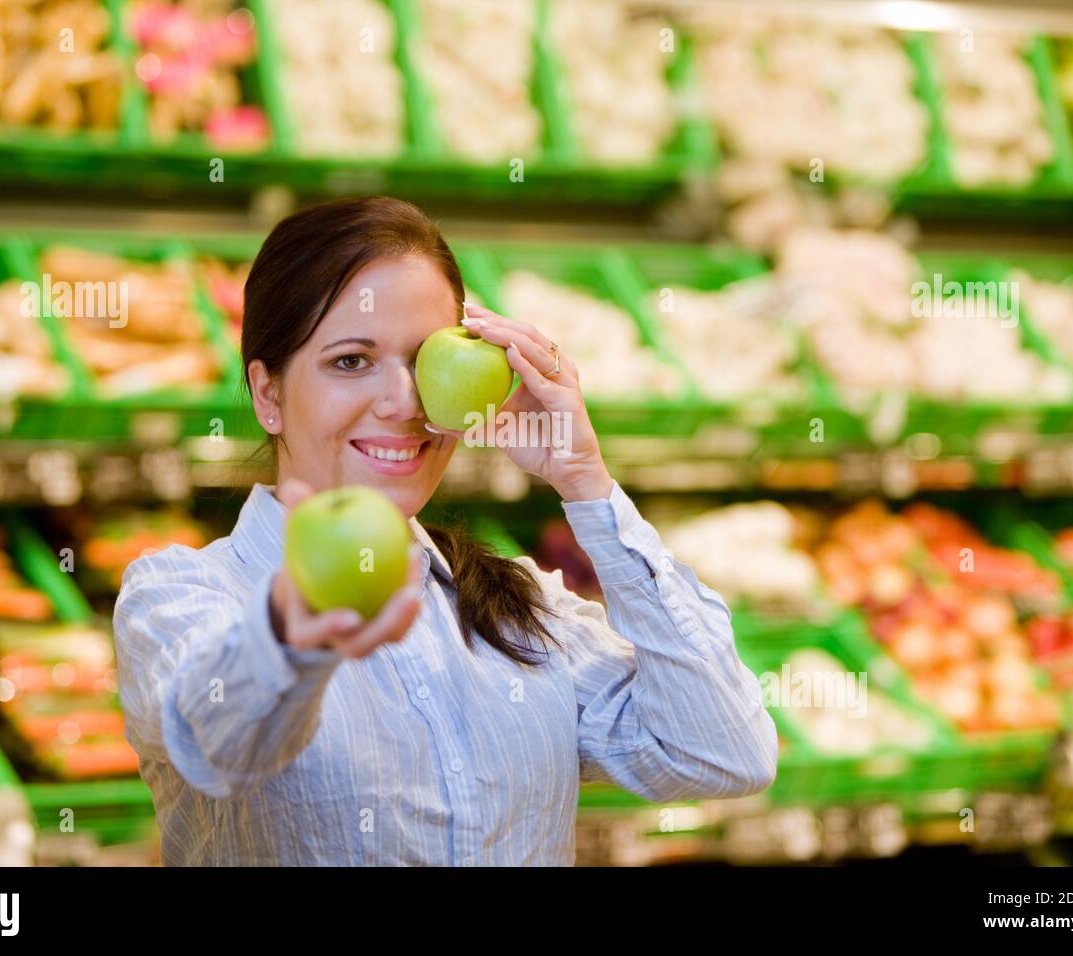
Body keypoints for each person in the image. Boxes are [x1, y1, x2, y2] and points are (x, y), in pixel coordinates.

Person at [113, 196, 778, 866]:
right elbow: (221, 743)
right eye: (351, 361)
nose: (404, 403)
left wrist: (585, 482)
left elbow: (722, 753)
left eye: (426, 360)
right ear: (269, 395)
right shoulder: (182, 596)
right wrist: (297, 634)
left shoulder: (522, 615)